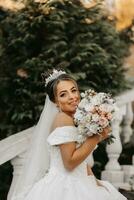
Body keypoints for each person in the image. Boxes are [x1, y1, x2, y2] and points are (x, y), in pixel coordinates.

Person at [10, 69, 127, 200]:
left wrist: (94, 181)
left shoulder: (74, 119)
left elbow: (81, 161)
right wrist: (97, 137)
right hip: (65, 187)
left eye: (73, 90)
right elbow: (70, 163)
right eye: (63, 94)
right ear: (55, 101)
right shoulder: (62, 119)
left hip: (79, 179)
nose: (72, 96)